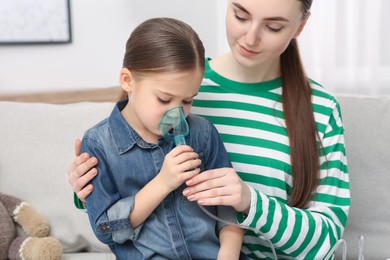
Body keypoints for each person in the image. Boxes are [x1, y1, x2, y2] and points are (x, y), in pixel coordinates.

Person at [68, 0, 350, 259]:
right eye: (241, 15)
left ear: (300, 26)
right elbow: (127, 159)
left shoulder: (320, 109)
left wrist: (249, 201)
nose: (250, 38)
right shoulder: (181, 74)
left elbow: (326, 239)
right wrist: (87, 190)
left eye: (273, 26)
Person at [78, 17, 244, 259]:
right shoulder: (99, 143)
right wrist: (163, 182)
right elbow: (106, 229)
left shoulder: (202, 133)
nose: (177, 113)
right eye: (164, 99)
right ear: (127, 80)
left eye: (188, 100)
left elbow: (228, 211)